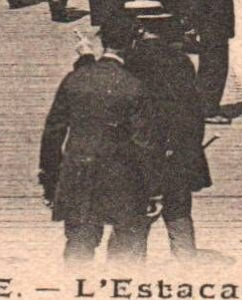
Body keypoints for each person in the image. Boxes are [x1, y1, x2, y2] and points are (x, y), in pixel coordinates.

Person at [38, 14, 161, 263]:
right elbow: (144, 143)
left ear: (103, 41)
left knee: (79, 246)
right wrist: (154, 191)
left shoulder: (75, 79)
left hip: (78, 173)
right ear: (132, 44)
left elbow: (53, 134)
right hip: (122, 179)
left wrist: (51, 181)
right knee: (126, 249)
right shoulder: (134, 86)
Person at [126, 2, 211, 260]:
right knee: (179, 217)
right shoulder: (181, 62)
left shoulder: (129, 62)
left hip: (139, 157)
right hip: (177, 155)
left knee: (134, 228)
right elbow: (195, 114)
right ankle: (188, 278)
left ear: (138, 28)